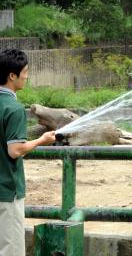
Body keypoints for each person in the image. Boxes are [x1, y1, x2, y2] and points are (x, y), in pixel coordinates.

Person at [0, 49, 55, 256]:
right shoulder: (13, 109)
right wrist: (42, 140)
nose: (27, 76)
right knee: (11, 250)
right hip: (7, 192)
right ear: (12, 76)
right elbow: (15, 150)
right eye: (25, 71)